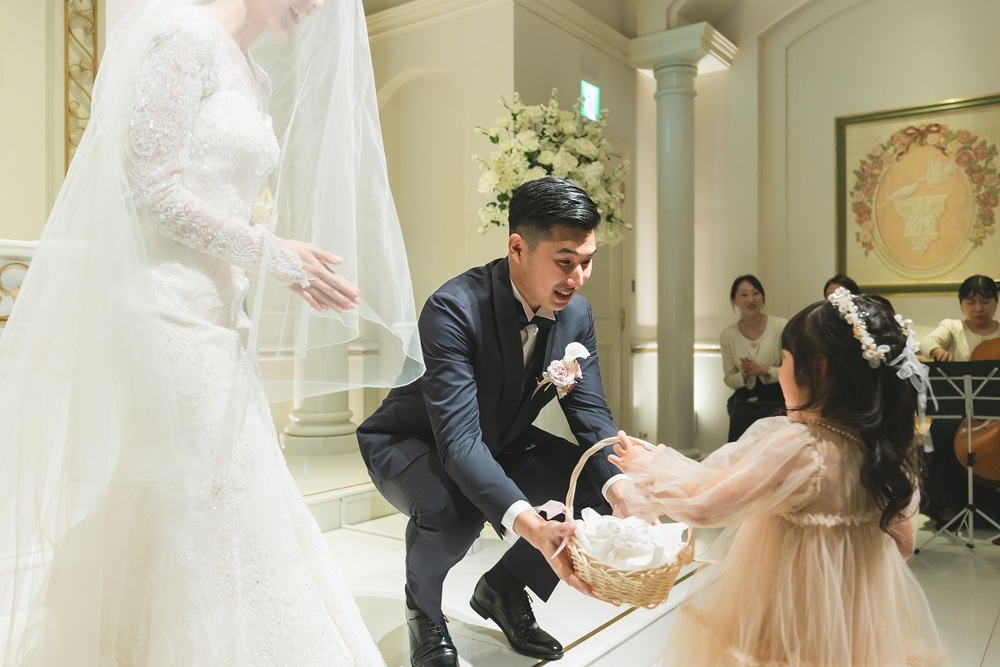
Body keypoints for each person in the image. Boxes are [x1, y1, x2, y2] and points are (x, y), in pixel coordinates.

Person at [0, 1, 423, 665]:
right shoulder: (181, 37)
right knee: (207, 488)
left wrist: (270, 261)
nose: (314, 5)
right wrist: (273, 255)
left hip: (219, 310)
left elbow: (219, 199)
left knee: (187, 487)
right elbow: (149, 190)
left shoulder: (256, 76)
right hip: (158, 307)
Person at [357, 177, 633, 667]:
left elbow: (589, 411)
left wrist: (621, 488)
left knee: (597, 484)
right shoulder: (453, 308)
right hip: (414, 440)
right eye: (564, 262)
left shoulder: (576, 315)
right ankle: (423, 610)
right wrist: (532, 526)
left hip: (500, 437)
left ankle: (504, 587)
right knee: (454, 511)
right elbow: (459, 441)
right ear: (518, 248)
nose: (577, 279)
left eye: (587, 262)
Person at [610, 288, 946, 666]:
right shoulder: (887, 452)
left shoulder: (804, 449)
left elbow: (708, 504)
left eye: (785, 359)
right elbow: (903, 544)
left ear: (818, 370)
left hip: (792, 616)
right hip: (857, 621)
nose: (781, 369)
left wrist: (649, 465)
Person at [918, 274, 1000, 525]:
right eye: (971, 302)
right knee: (943, 429)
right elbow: (928, 341)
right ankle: (950, 504)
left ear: (996, 302)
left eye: (985, 301)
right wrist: (938, 351)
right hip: (962, 408)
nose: (978, 308)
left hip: (995, 411)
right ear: (961, 304)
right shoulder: (953, 327)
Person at [720, 275, 786, 441]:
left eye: (755, 293)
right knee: (740, 422)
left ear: (762, 297)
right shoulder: (728, 335)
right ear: (734, 301)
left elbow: (791, 371)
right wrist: (743, 375)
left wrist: (765, 370)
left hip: (776, 398)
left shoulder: (780, 326)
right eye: (744, 294)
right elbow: (729, 378)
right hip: (744, 400)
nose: (751, 299)